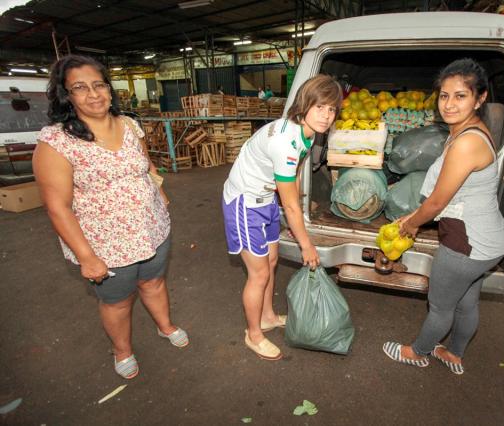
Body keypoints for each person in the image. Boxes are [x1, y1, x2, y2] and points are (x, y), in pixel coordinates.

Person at [32, 54, 189, 380]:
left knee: (155, 282)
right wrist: (87, 257)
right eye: (80, 87)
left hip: (153, 229)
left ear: (109, 88)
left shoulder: (129, 125)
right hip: (106, 244)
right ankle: (123, 350)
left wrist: (160, 196)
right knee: (118, 301)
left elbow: (147, 166)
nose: (93, 94)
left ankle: (165, 326)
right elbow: (57, 207)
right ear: (66, 95)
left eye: (99, 84)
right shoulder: (57, 142)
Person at [382, 58, 504, 374]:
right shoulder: (470, 131)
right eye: (444, 95)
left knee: (440, 305)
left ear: (479, 99)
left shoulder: (466, 142)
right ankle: (454, 353)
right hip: (487, 241)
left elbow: (438, 202)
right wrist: (413, 214)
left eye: (461, 96)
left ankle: (417, 351)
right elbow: (453, 195)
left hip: (467, 245)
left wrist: (410, 224)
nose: (449, 104)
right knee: (466, 302)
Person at [221, 74, 342, 361]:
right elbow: (289, 205)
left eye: (332, 109)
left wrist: (299, 202)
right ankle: (254, 334)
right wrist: (306, 244)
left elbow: (294, 178)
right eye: (320, 107)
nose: (326, 116)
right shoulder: (285, 142)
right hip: (244, 203)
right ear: (304, 105)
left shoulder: (307, 134)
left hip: (266, 199)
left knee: (272, 262)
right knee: (259, 273)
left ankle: (268, 317)